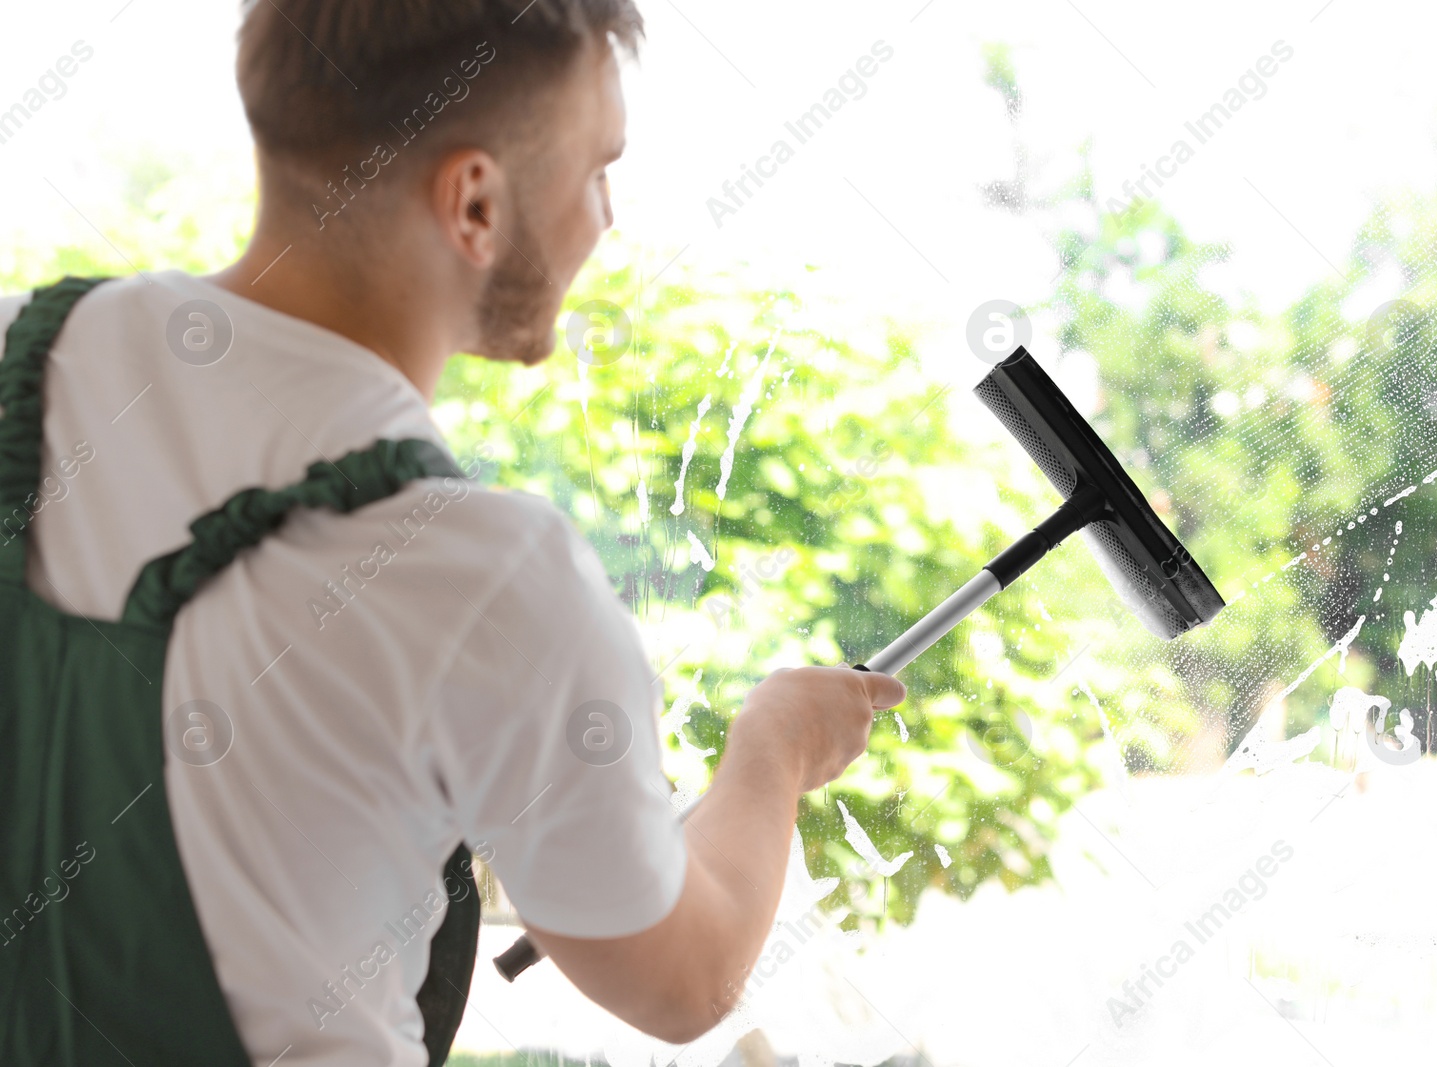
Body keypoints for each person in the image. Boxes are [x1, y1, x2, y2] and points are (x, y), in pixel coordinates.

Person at [0, 1, 906, 1064]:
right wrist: (775, 748)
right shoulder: (484, 572)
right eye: (596, 170)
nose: (605, 216)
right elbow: (686, 980)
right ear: (474, 202)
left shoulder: (24, 352)